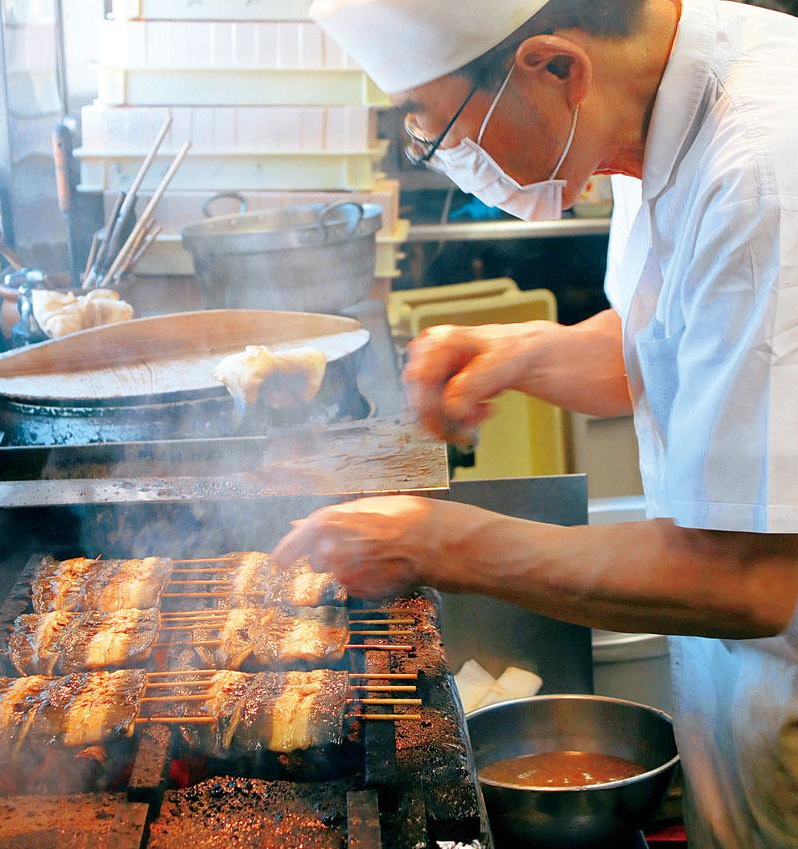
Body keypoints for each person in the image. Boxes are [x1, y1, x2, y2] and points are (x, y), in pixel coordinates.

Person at [272, 0, 798, 844]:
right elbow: (690, 347)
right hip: (740, 678)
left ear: (555, 68)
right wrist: (521, 351)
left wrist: (439, 543)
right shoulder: (646, 104)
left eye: (434, 125)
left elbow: (751, 576)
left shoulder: (766, 170)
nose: (437, 152)